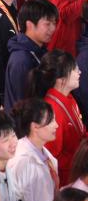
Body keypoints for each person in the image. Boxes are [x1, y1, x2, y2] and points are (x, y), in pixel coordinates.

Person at [28, 50, 83, 184]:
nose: (79, 72)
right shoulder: (51, 111)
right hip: (67, 180)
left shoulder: (69, 98)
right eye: (75, 69)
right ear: (61, 79)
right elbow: (52, 157)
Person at [7, 97, 59, 201]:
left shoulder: (44, 153)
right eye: (51, 121)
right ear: (34, 127)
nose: (56, 125)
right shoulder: (21, 160)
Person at [5, 0, 59, 110]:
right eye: (47, 24)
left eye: (54, 23)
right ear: (29, 25)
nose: (53, 28)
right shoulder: (22, 60)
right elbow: (24, 107)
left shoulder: (39, 50)